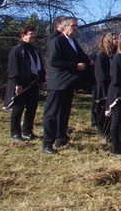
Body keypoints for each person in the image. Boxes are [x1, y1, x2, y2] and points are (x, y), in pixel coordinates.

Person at [42, 17, 92, 154]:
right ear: (64, 27)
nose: (76, 28)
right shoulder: (57, 41)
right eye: (73, 26)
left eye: (77, 26)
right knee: (51, 113)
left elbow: (83, 57)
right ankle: (47, 143)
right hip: (58, 82)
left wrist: (90, 62)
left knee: (64, 113)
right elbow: (54, 61)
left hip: (69, 82)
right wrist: (74, 66)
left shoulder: (73, 41)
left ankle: (61, 138)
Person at [5, 26, 46, 142]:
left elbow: (40, 67)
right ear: (23, 35)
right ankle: (15, 133)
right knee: (18, 109)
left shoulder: (35, 50)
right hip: (21, 84)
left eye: (34, 33)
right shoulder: (17, 50)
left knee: (32, 108)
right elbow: (13, 68)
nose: (33, 36)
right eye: (30, 33)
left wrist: (42, 80)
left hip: (33, 84)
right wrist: (17, 83)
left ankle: (27, 131)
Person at [94, 33, 118, 144]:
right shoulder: (102, 55)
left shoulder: (114, 55)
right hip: (104, 87)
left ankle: (109, 133)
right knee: (102, 111)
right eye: (114, 39)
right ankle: (103, 134)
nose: (117, 40)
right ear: (108, 41)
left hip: (112, 87)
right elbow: (101, 75)